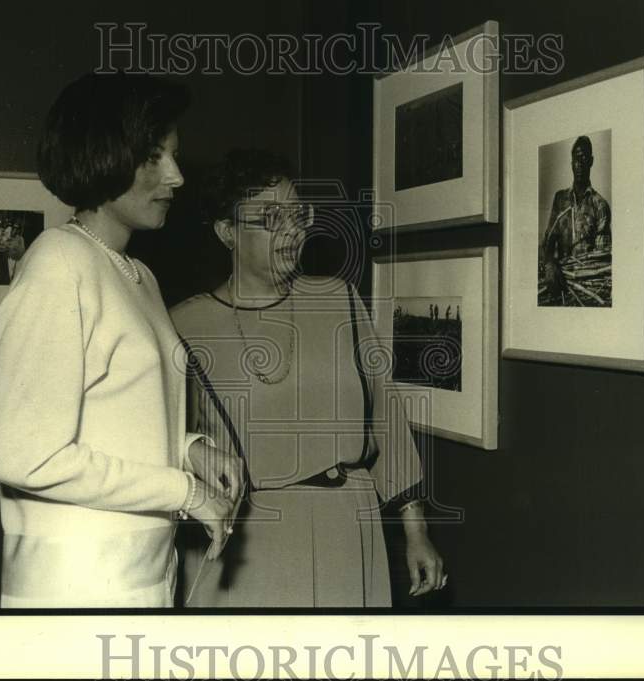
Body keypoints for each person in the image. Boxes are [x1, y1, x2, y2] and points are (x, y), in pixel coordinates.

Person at [0, 73, 241, 608]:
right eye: (153, 157)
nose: (175, 176)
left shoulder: (137, 274)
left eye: (174, 155)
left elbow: (118, 416)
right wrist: (186, 492)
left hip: (145, 569)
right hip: (73, 584)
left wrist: (190, 450)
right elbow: (25, 457)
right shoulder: (59, 263)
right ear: (103, 155)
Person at [170, 149, 445, 607]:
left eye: (298, 215)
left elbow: (387, 421)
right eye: (271, 217)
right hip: (247, 543)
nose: (291, 231)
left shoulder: (340, 300)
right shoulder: (182, 326)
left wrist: (416, 531)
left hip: (350, 527)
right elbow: (166, 446)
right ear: (227, 232)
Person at [539, 135, 612, 306]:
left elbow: (601, 259)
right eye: (575, 159)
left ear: (591, 161)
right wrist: (550, 262)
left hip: (588, 290)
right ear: (571, 163)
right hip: (557, 288)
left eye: (584, 158)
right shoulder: (560, 199)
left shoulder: (599, 205)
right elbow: (548, 242)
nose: (579, 164)